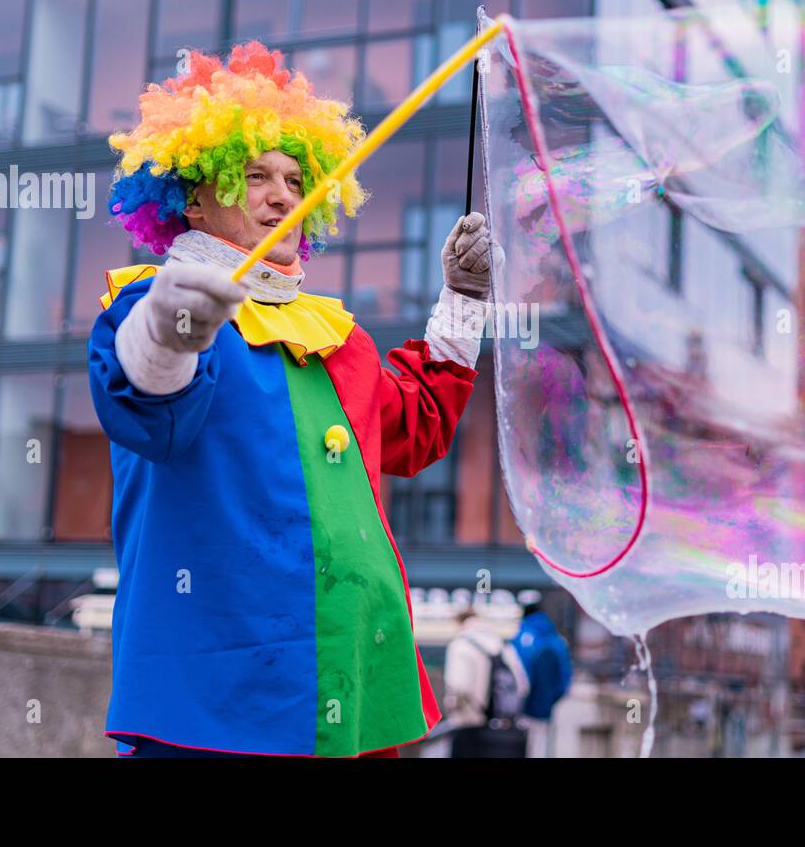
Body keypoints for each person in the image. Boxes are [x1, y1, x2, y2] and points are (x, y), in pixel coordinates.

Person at [89, 41, 501, 758]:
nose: (283, 195)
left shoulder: (338, 335)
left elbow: (413, 426)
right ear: (194, 195)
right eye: (254, 176)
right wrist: (173, 324)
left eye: (294, 177)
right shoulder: (149, 310)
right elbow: (147, 403)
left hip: (349, 681)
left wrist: (462, 301)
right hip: (219, 703)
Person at [443, 606, 530, 757]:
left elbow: (459, 685)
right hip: (501, 730)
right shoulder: (502, 645)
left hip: (469, 726)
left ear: (460, 623)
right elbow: (523, 686)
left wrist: (454, 709)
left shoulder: (461, 644)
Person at [510, 592, 572, 757]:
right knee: (544, 747)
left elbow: (515, 674)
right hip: (548, 706)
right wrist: (552, 699)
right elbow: (565, 676)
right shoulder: (556, 639)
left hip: (524, 708)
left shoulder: (522, 637)